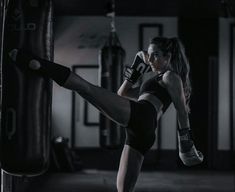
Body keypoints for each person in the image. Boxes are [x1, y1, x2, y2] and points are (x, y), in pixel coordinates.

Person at [9, 37, 203, 192]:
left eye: (155, 55)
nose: (150, 60)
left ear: (168, 56)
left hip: (142, 116)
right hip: (142, 131)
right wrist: (136, 67)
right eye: (149, 55)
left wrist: (185, 145)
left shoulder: (170, 76)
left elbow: (181, 108)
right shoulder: (157, 79)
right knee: (123, 189)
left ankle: (38, 64)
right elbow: (123, 94)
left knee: (86, 88)